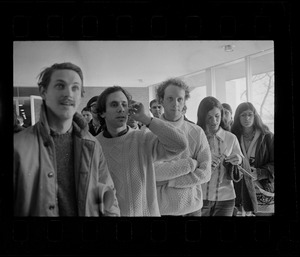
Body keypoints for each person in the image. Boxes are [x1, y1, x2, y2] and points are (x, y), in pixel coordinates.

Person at [14, 62, 120, 216]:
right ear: (43, 91)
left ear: (81, 95)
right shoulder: (19, 146)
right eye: (60, 86)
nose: (68, 93)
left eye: (75, 87)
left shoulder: (92, 144)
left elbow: (108, 198)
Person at [95, 86, 188, 216]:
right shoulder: (94, 145)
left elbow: (180, 144)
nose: (121, 109)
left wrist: (146, 119)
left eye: (124, 104)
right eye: (114, 104)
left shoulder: (143, 138)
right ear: (102, 112)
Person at [155, 78, 211, 216]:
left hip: (193, 208)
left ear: (185, 101)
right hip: (161, 209)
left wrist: (171, 181)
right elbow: (153, 172)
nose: (175, 104)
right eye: (170, 98)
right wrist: (191, 164)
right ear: (161, 100)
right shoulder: (149, 132)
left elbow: (205, 173)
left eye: (180, 99)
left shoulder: (196, 132)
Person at [197, 96, 244, 216]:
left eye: (217, 116)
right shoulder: (196, 137)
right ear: (203, 117)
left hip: (226, 198)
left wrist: (238, 159)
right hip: (200, 196)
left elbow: (240, 161)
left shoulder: (230, 137)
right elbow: (186, 162)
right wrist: (204, 161)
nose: (214, 121)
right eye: (209, 117)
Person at [231, 102, 274, 216]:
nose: (247, 118)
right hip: (240, 190)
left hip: (262, 187)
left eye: (250, 114)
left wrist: (259, 173)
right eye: (243, 115)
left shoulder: (267, 136)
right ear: (238, 117)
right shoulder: (232, 137)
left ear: (255, 116)